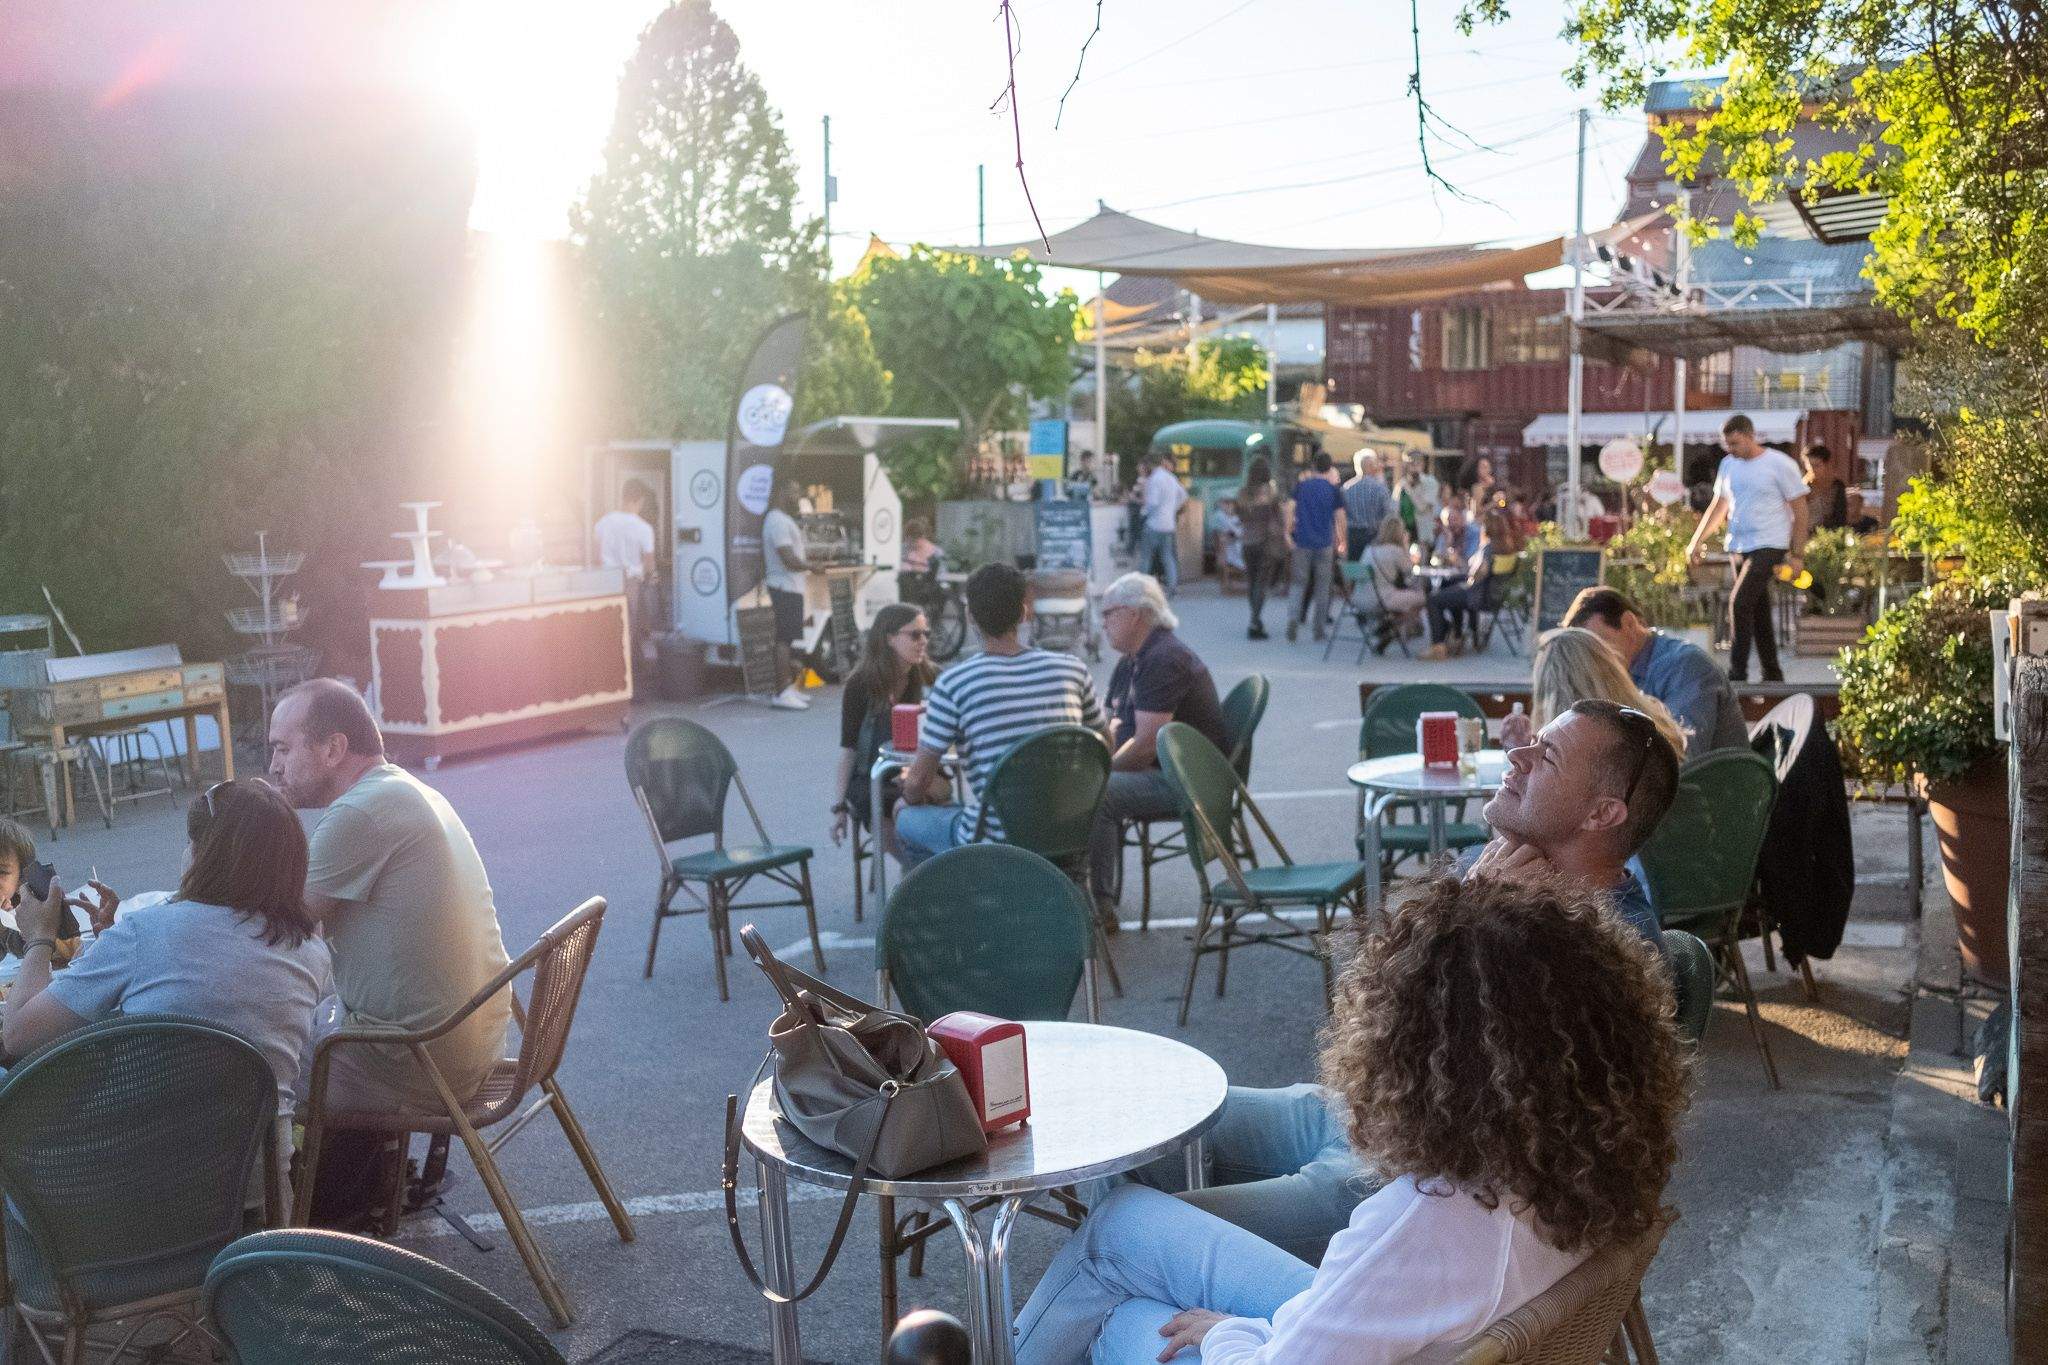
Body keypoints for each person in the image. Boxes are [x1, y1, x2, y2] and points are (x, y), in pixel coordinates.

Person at [1012, 871, 1689, 1364]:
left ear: (1413, 1050)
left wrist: (1227, 1333)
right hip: (1409, 1326)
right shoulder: (1579, 1161)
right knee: (1121, 1225)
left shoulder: (1426, 1217)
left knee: (1120, 1296)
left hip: (1366, 1331)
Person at [3, 781, 331, 1131]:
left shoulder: (147, 932)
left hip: (121, 1178)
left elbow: (17, 1035)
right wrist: (109, 942)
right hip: (258, 1181)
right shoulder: (311, 951)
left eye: (190, 842)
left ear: (206, 854)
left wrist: (39, 938)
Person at [267, 679, 512, 1114]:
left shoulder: (359, 813)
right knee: (315, 1014)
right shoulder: (405, 789)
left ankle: (311, 1183)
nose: (273, 767)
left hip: (417, 1061)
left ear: (332, 749)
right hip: (470, 1043)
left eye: (283, 749)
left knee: (255, 1060)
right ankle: (362, 1178)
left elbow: (274, 925)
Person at [895, 565, 1107, 868]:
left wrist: (910, 798)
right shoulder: (1072, 670)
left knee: (905, 816)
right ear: (1024, 613)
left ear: (970, 617)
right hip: (1068, 830)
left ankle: (949, 906)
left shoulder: (954, 684)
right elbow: (1103, 749)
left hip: (994, 839)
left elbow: (917, 781)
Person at [1087, 574, 1228, 935]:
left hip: (1187, 781)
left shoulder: (1163, 658)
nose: (1101, 622)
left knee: (1096, 793)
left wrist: (1099, 772)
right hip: (1164, 770)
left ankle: (1097, 906)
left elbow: (1147, 744)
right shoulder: (1134, 659)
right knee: (1084, 784)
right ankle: (1089, 891)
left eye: (1108, 614)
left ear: (1136, 614)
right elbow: (1113, 725)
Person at [1686, 414, 1809, 682]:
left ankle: (1737, 674)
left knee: (1739, 603)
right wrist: (1696, 540)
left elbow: (1801, 511)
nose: (1731, 449)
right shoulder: (1729, 465)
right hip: (1740, 545)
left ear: (1751, 436)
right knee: (1758, 612)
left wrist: (1797, 554)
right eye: (1727, 444)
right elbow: (1719, 507)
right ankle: (1773, 675)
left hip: (1771, 544)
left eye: (1736, 443)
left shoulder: (1779, 464)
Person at [1561, 585, 1750, 754]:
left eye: (1600, 644)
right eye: (1587, 652)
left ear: (1629, 623)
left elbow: (1682, 753)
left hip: (1713, 788)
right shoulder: (1620, 670)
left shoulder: (1685, 665)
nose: (1594, 658)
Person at [830, 604, 937, 858]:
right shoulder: (861, 684)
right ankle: (919, 872)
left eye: (926, 634)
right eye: (914, 635)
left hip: (918, 769)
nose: (923, 641)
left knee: (938, 792)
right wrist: (838, 808)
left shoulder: (930, 678)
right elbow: (849, 751)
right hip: (872, 776)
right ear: (889, 638)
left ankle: (929, 868)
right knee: (882, 800)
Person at [1508, 627, 1689, 758]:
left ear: (1548, 691)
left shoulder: (1566, 754)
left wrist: (1522, 753)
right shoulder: (1655, 722)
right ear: (1612, 669)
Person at [1422, 508, 1513, 658]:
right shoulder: (1505, 546)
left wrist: (1469, 575)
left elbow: (1478, 574)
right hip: (1491, 596)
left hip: (1478, 596)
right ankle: (1457, 635)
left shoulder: (1489, 548)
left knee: (1433, 599)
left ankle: (1438, 646)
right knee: (1449, 587)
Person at [761, 478, 814, 710]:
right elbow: (788, 558)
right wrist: (812, 566)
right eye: (793, 491)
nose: (797, 496)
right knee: (783, 640)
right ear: (780, 492)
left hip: (790, 586)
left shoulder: (781, 519)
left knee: (788, 639)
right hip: (784, 585)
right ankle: (781, 692)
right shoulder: (777, 521)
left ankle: (788, 688)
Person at [1284, 452, 1345, 643]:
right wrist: (1341, 539)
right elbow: (1340, 516)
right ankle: (1318, 629)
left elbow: (1289, 507)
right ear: (1329, 468)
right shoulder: (1333, 490)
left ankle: (1293, 618)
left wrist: (1287, 532)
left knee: (1298, 584)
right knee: (1322, 587)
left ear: (1313, 466)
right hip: (1324, 543)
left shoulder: (1302, 487)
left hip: (1302, 541)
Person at [594, 480, 658, 663]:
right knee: (627, 626)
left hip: (605, 580)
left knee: (608, 624)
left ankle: (610, 665)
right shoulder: (644, 528)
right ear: (640, 501)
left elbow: (596, 554)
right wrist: (652, 580)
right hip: (630, 581)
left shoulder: (603, 522)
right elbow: (649, 562)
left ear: (623, 497)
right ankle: (624, 670)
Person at [1235, 458, 1284, 640]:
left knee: (1252, 581)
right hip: (1265, 542)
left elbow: (1239, 517)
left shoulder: (1242, 493)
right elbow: (1278, 518)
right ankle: (1255, 621)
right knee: (1260, 584)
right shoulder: (1271, 494)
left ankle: (1255, 620)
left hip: (1247, 542)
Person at [1363, 514, 1425, 646]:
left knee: (1405, 598)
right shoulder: (1396, 551)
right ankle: (1392, 629)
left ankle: (1388, 627)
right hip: (1381, 599)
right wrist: (1406, 547)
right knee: (1424, 598)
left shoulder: (1368, 549)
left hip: (1359, 599)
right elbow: (1411, 578)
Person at [1140, 456, 1188, 594]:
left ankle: (1142, 587)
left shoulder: (1154, 479)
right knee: (1167, 557)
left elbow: (1153, 503)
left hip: (1154, 524)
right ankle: (1172, 586)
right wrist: (1173, 509)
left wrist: (1144, 512)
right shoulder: (1171, 478)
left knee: (1146, 557)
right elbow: (1183, 495)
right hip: (1169, 524)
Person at [1340, 451, 1392, 563]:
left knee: (1354, 569)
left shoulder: (1346, 488)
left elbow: (1341, 515)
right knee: (1371, 570)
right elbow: (1388, 514)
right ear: (1371, 466)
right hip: (1373, 535)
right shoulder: (1380, 489)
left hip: (1352, 536)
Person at [1803, 442, 1851, 531]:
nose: (1812, 470)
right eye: (1809, 465)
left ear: (1827, 465)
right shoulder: (1803, 486)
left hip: (1826, 537)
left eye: (1817, 466)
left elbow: (1840, 518)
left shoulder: (1837, 487)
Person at [1428, 500, 1480, 571]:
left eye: (1455, 519)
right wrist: (1449, 542)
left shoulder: (1473, 533)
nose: (1453, 524)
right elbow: (1436, 559)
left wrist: (1451, 555)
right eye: (1449, 521)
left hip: (1467, 575)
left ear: (1463, 519)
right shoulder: (1446, 534)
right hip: (1447, 576)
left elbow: (1469, 561)